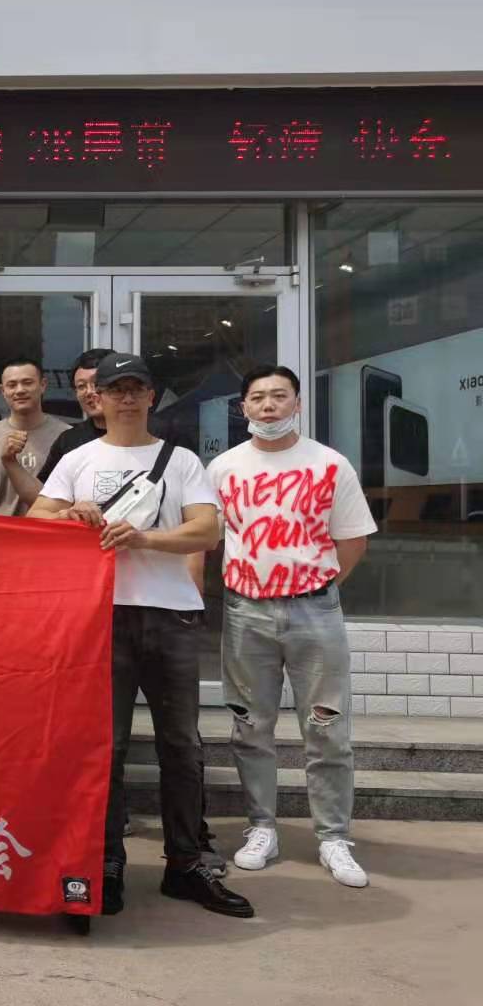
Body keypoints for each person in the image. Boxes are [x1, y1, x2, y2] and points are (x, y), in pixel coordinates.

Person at [28, 352, 253, 919]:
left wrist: (146, 539)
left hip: (172, 615)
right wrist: (70, 515)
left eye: (136, 388)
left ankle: (187, 863)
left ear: (152, 396)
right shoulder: (77, 459)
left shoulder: (181, 461)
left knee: (182, 746)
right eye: (115, 389)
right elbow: (34, 520)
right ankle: (106, 861)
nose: (126, 398)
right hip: (102, 617)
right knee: (108, 747)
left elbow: (208, 530)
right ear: (97, 398)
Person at [207, 365, 376, 888]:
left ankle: (334, 836)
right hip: (245, 612)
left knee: (327, 728)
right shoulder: (224, 467)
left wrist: (311, 587)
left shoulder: (330, 464)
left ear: (298, 404)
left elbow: (352, 541)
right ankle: (262, 827)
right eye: (258, 397)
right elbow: (207, 535)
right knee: (250, 726)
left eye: (280, 396)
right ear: (243, 407)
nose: (269, 406)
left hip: (314, 611)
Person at [0, 356, 71, 515]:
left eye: (27, 383)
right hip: (0, 530)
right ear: (3, 391)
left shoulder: (67, 437)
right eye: (12, 385)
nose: (20, 390)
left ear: (43, 385)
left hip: (50, 529)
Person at [36, 348, 115, 485]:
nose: (89, 392)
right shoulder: (69, 441)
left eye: (96, 383)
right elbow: (45, 492)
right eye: (81, 386)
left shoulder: (151, 433)